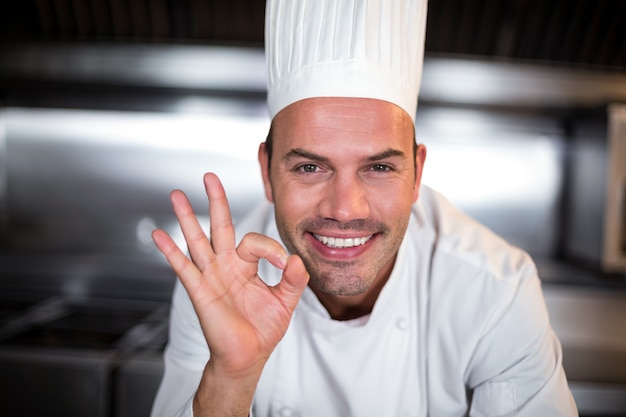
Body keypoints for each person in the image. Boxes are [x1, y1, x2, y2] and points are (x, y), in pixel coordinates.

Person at [150, 0, 578, 416]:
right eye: (310, 166)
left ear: (416, 172)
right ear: (266, 172)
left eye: (378, 166)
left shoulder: (494, 290)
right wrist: (230, 379)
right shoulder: (218, 280)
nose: (343, 208)